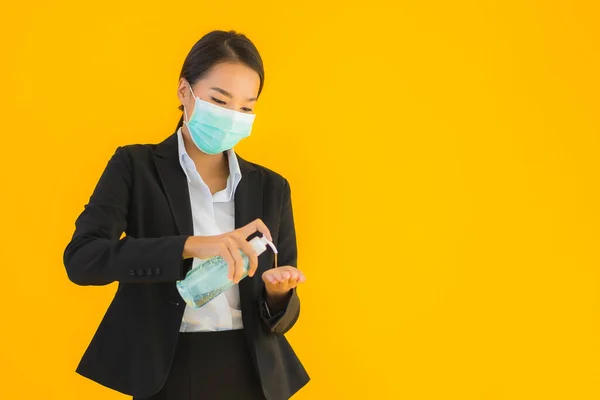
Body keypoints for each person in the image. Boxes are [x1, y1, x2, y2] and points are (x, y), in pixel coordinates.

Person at [63, 30, 309, 400]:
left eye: (245, 108)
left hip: (254, 373)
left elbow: (281, 315)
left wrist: (278, 294)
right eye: (219, 100)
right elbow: (83, 260)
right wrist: (190, 246)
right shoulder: (135, 167)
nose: (231, 118)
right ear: (184, 92)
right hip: (164, 369)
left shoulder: (272, 187)